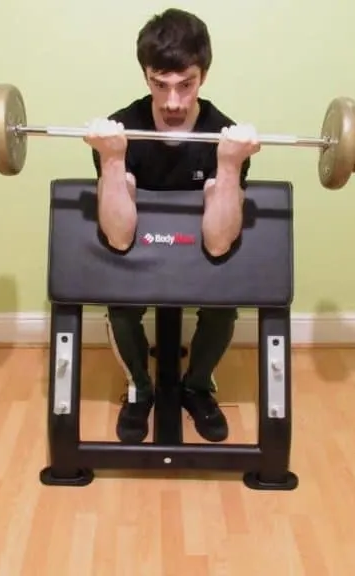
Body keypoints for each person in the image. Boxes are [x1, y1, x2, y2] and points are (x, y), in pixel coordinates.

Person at [84, 8, 260, 444]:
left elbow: (218, 243)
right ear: (145, 76)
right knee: (121, 305)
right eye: (159, 85)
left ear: (203, 76)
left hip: (200, 245)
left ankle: (197, 385)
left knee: (222, 305)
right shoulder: (120, 131)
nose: (173, 102)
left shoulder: (225, 135)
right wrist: (111, 158)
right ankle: (139, 389)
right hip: (139, 244)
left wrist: (229, 163)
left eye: (186, 84)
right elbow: (120, 236)